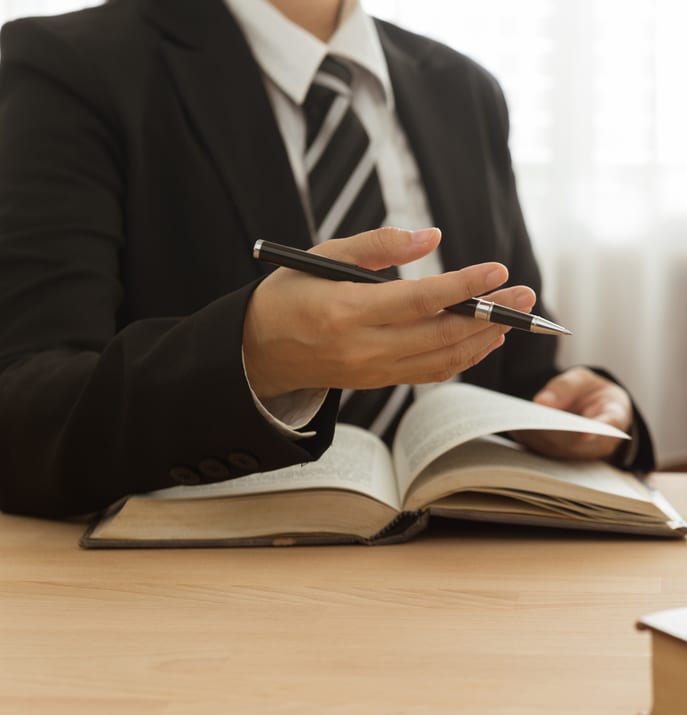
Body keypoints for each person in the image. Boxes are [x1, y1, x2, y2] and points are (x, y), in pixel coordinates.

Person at [0, 0, 652, 518]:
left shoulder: (464, 90)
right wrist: (251, 355)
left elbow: (517, 365)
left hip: (472, 573)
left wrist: (576, 407)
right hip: (210, 605)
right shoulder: (71, 67)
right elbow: (23, 408)